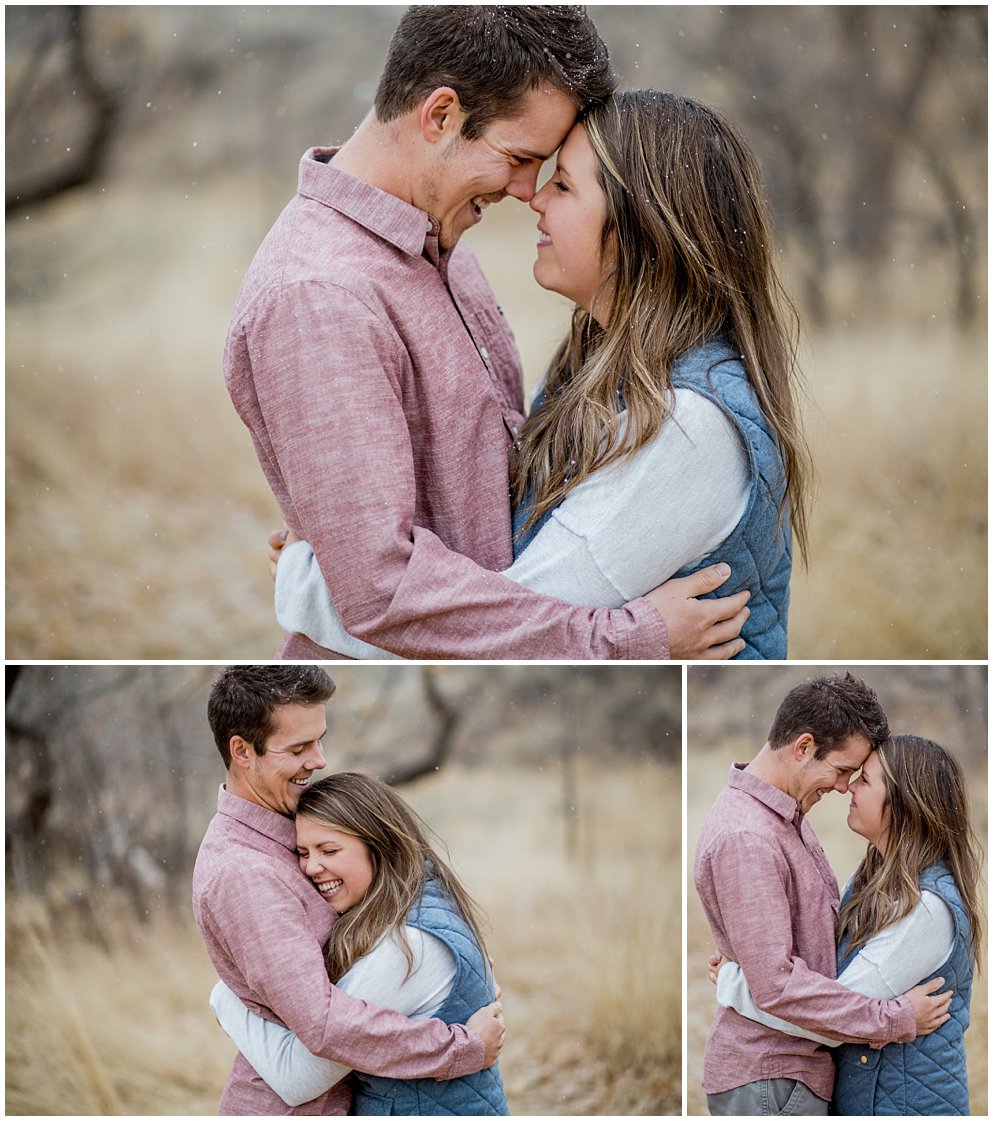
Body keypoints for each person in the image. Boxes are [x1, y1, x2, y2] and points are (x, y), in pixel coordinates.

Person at [225, 5, 751, 661]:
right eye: (520, 156)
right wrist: (621, 639)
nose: (527, 189)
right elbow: (383, 593)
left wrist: (324, 548)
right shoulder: (319, 297)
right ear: (440, 115)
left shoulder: (439, 239)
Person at [192, 666, 505, 1116]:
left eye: (319, 740)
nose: (318, 760)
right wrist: (460, 1047)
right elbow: (321, 1025)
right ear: (242, 751)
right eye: (299, 748)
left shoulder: (290, 829)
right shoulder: (245, 873)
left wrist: (460, 978)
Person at [693, 673, 954, 1116]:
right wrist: (894, 1019)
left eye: (856, 777)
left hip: (784, 1078)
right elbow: (777, 986)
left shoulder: (782, 815)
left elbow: (789, 959)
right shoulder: (748, 837)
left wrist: (741, 971)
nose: (841, 787)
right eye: (841, 770)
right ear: (803, 747)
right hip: (770, 1082)